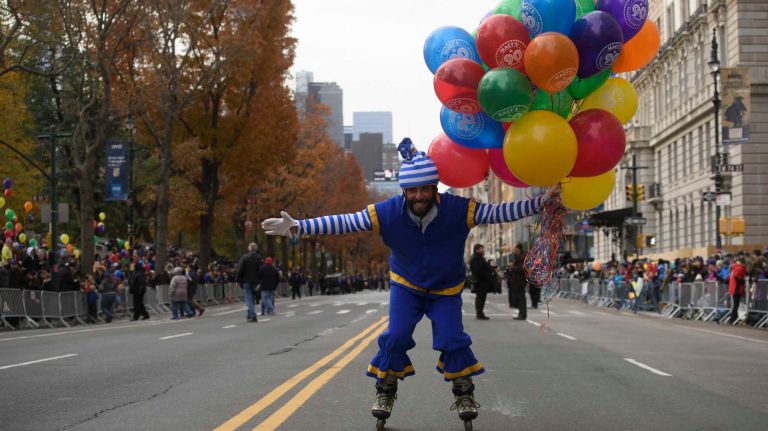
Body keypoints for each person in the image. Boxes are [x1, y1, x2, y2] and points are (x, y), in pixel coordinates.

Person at [261, 138, 558, 426]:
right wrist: (299, 226)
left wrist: (539, 203)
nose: (418, 196)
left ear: (434, 188)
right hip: (406, 285)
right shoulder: (387, 213)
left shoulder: (459, 210)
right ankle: (386, 391)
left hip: (446, 288)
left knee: (452, 339)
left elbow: (498, 213)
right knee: (397, 336)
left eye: (424, 190)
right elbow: (346, 221)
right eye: (412, 190)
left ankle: (464, 393)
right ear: (404, 190)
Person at [236, 243, 262, 322]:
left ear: (249, 249)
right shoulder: (259, 258)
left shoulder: (245, 258)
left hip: (246, 281)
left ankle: (252, 315)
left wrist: (237, 279)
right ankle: (249, 314)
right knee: (252, 299)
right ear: (256, 249)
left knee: (248, 299)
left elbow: (240, 269)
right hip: (256, 282)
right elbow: (261, 270)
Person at [469, 244, 493, 320]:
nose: (483, 250)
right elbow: (478, 270)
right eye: (481, 249)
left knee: (480, 297)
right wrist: (487, 275)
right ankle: (479, 313)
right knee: (480, 297)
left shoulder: (478, 257)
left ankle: (480, 313)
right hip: (480, 281)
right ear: (477, 249)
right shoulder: (476, 258)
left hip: (481, 281)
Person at [506, 243, 527, 320]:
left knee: (521, 298)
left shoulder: (523, 257)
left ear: (518, 249)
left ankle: (522, 315)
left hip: (520, 281)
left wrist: (513, 266)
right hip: (516, 280)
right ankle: (520, 314)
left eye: (515, 248)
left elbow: (521, 269)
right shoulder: (517, 256)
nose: (514, 250)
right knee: (519, 298)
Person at [728, 258, 747, 324]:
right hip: (737, 288)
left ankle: (733, 318)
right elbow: (737, 276)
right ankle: (732, 319)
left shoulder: (734, 268)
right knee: (736, 304)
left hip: (734, 288)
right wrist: (743, 281)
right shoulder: (739, 268)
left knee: (736, 304)